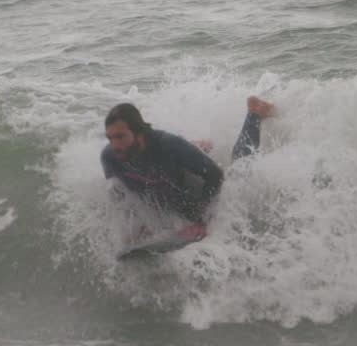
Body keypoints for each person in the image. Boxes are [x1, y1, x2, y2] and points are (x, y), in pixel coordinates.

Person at [101, 96, 276, 240]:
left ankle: (255, 111)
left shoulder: (167, 145)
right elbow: (122, 197)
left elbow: (216, 175)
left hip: (196, 187)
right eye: (110, 138)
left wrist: (202, 220)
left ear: (139, 134)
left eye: (120, 137)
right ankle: (199, 148)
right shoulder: (110, 157)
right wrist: (138, 228)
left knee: (240, 168)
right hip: (172, 182)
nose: (114, 145)